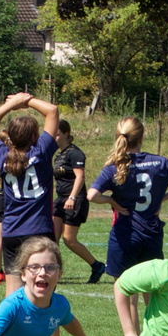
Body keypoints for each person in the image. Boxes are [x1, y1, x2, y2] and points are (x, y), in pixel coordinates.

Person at [88, 116, 168, 336]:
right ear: (142, 137)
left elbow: (92, 195)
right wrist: (163, 198)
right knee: (154, 296)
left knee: (127, 294)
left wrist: (113, 203)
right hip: (151, 234)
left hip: (125, 236)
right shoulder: (160, 162)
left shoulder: (115, 165)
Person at [0, 92, 62, 296]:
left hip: (11, 232)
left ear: (9, 137)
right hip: (39, 231)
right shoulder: (41, 152)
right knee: (44, 296)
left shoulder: (2, 155)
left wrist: (10, 105)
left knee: (12, 296)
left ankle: (11, 328)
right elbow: (52, 111)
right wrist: (27, 101)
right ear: (35, 137)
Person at [52, 119, 107, 283]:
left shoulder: (74, 153)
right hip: (59, 200)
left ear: (66, 134)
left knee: (69, 240)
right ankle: (56, 273)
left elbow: (80, 177)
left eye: (57, 133)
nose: (54, 136)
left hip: (74, 200)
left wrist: (72, 197)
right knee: (52, 239)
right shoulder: (59, 155)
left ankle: (97, 265)